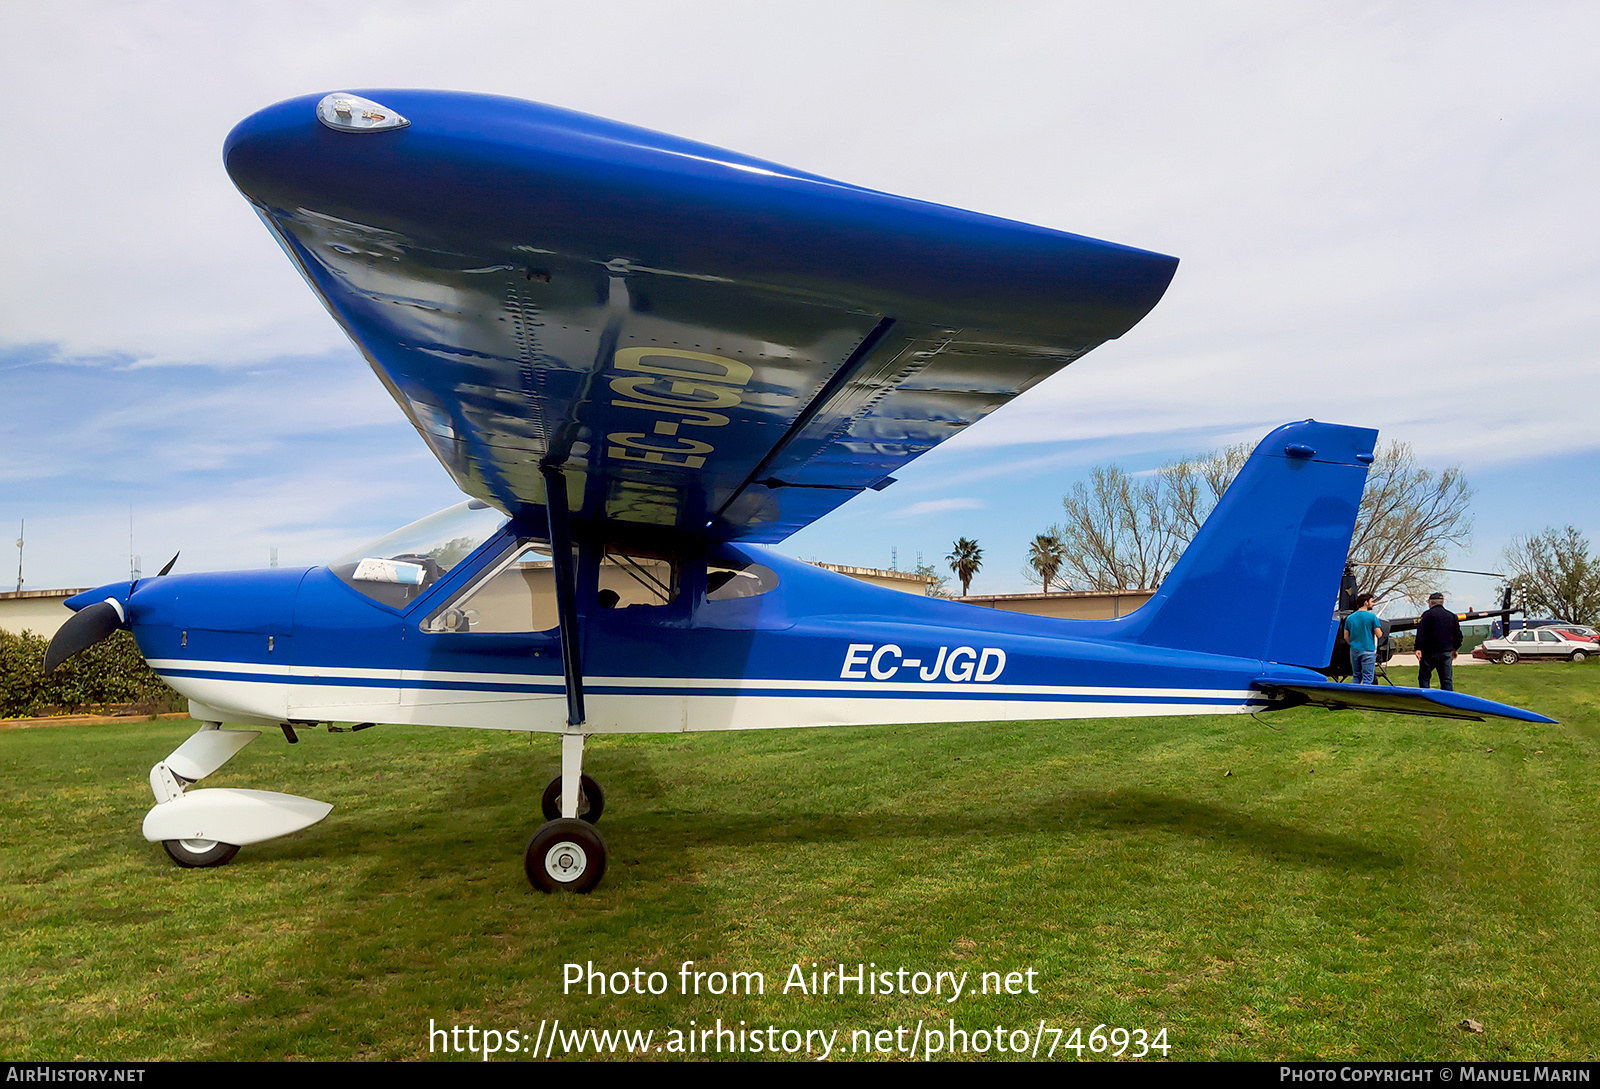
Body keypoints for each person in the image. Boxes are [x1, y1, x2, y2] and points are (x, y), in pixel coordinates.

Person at [1415, 590, 1462, 691]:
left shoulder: (1427, 615)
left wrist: (1418, 648)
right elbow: (1458, 635)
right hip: (1446, 652)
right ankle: (1447, 701)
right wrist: (1455, 648)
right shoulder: (1452, 616)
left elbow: (1421, 633)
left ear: (1431, 603)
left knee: (1424, 677)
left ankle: (1426, 698)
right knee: (1446, 679)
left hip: (1429, 653)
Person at [1344, 593, 1383, 685]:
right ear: (1366, 602)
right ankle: (1365, 696)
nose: (1373, 604)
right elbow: (1379, 634)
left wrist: (1353, 644)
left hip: (1354, 650)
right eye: (1372, 601)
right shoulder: (1372, 617)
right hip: (1368, 650)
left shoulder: (1349, 618)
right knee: (1368, 678)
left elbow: (1346, 636)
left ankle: (1354, 696)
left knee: (1356, 676)